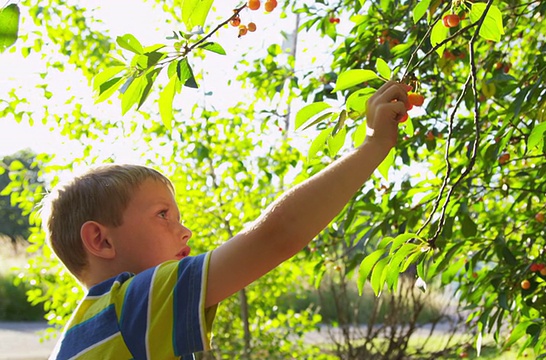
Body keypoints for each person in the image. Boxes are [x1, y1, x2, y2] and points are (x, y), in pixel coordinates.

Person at [44, 81, 409, 359]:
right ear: (101, 241)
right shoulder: (130, 306)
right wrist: (374, 144)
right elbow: (276, 236)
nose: (184, 230)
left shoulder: (86, 332)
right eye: (162, 215)